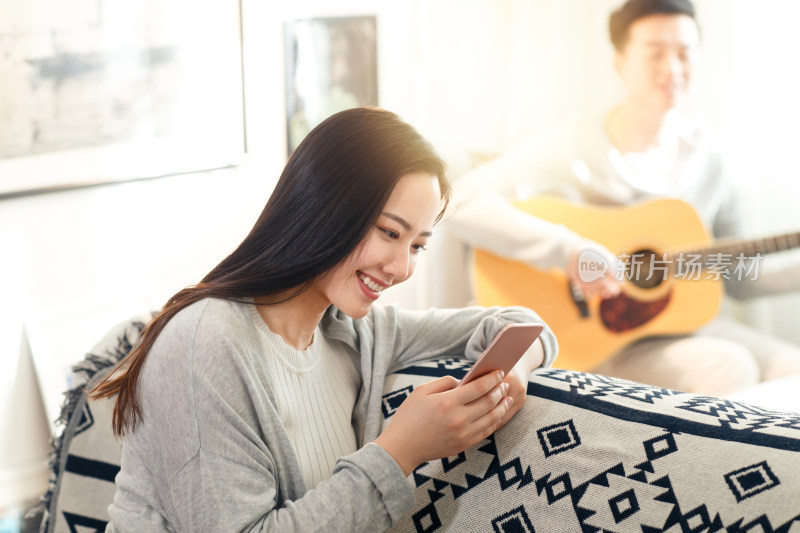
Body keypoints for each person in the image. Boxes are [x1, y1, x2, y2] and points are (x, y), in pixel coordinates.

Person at [88, 107, 557, 532]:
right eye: (390, 232)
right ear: (325, 210)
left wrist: (515, 369)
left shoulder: (355, 333)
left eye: (417, 245)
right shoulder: (207, 344)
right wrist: (401, 451)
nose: (402, 268)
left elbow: (520, 324)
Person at [446, 0, 800, 397]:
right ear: (620, 62)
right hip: (599, 337)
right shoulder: (571, 146)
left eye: (685, 52)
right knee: (728, 367)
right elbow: (457, 200)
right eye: (655, 53)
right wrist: (569, 251)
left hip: (684, 324)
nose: (673, 68)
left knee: (793, 372)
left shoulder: (713, 157)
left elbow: (736, 276)